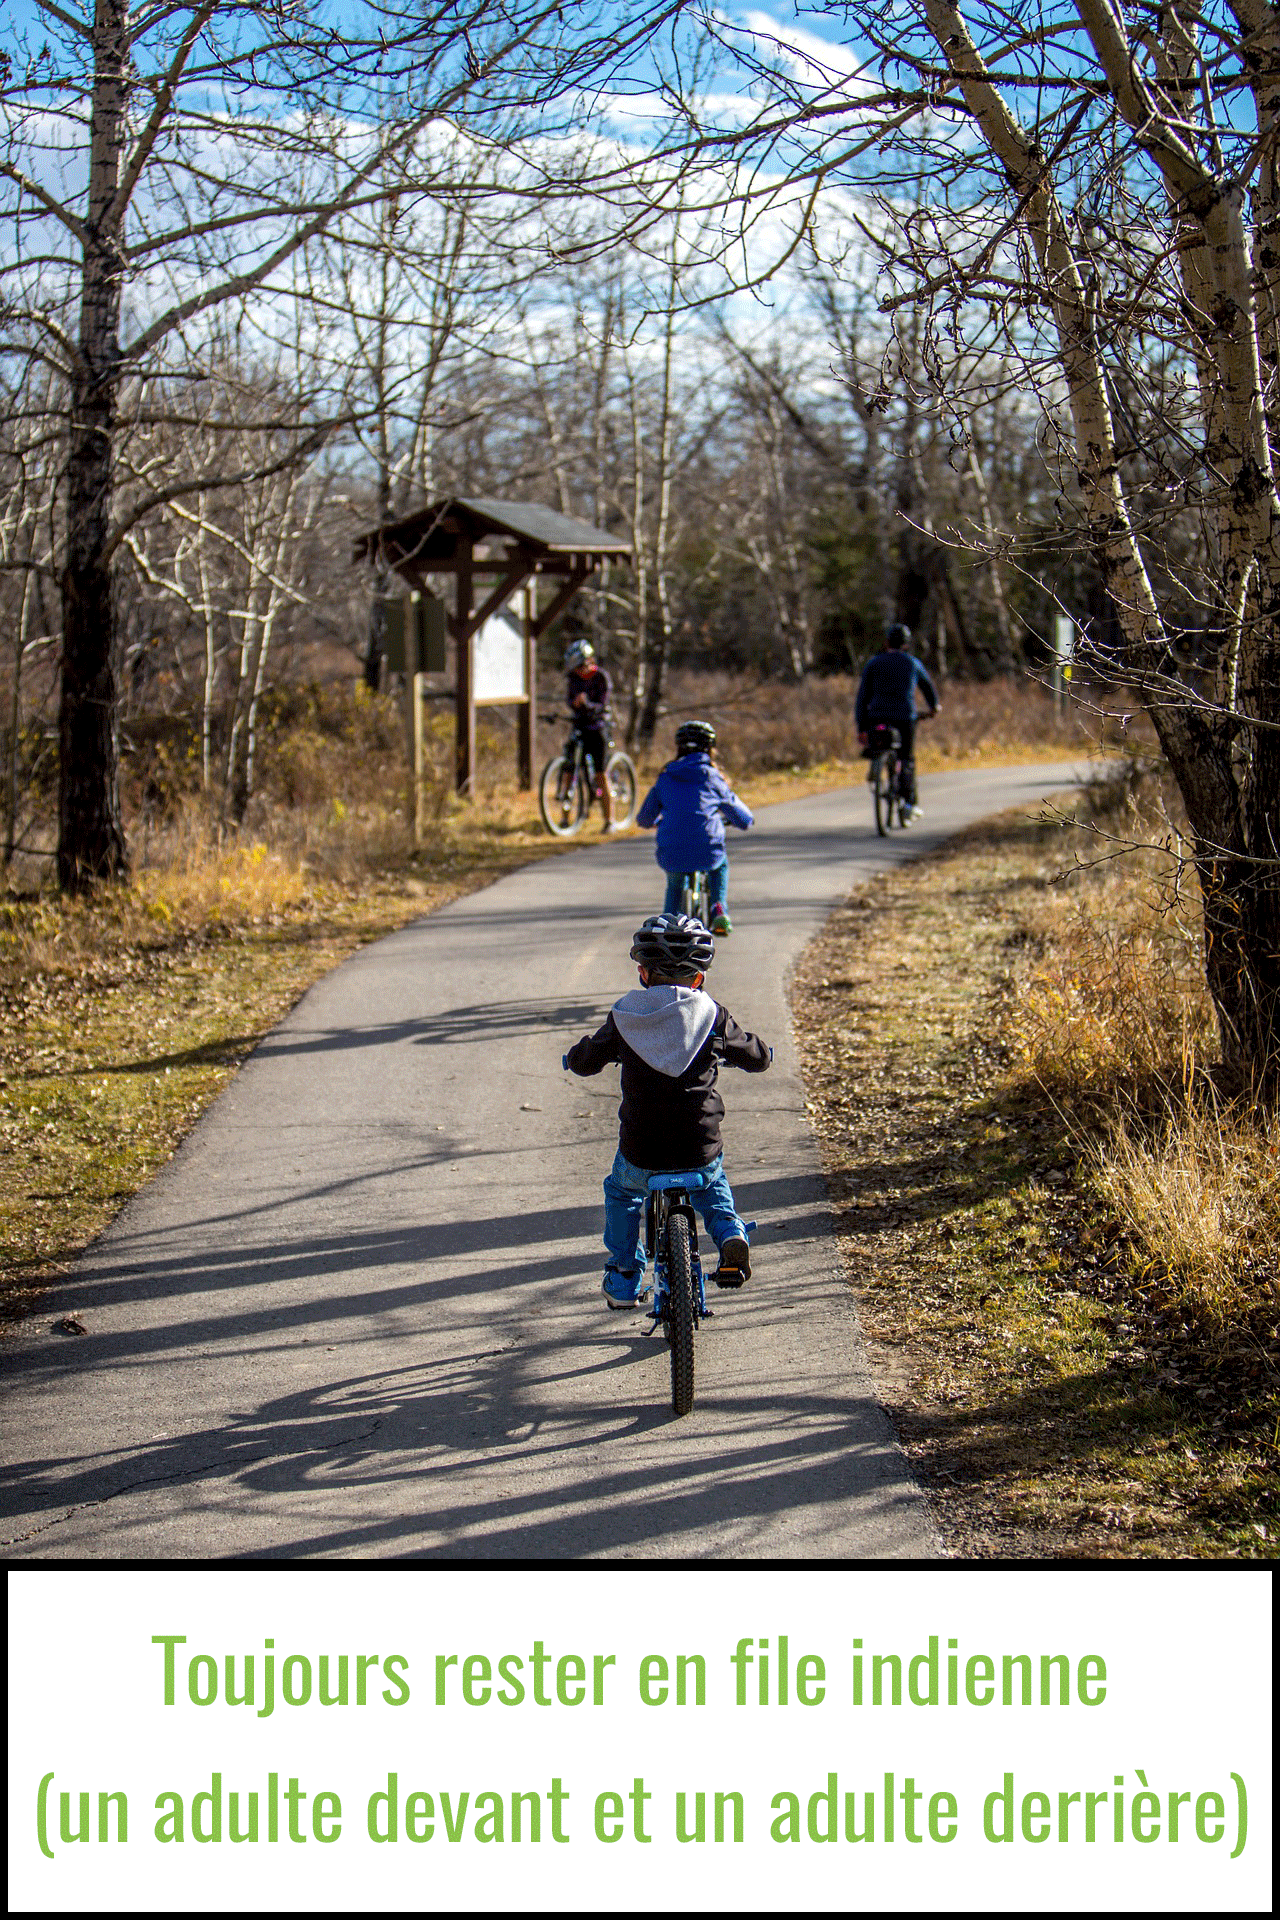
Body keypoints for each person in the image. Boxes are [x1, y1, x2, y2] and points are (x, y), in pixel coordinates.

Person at [564, 912, 771, 1309]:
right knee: (711, 1183)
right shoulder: (713, 1016)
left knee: (622, 1192)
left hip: (642, 1150)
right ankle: (729, 1232)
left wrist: (575, 1058)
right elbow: (754, 1056)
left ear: (642, 973)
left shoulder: (625, 1015)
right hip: (699, 1143)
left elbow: (588, 1059)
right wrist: (763, 1054)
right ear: (699, 979)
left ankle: (624, 1276)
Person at [634, 719, 752, 934]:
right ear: (710, 748)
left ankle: (667, 924)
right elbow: (743, 818)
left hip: (673, 849)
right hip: (707, 848)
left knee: (675, 884)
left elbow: (643, 818)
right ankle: (718, 908)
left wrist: (655, 822)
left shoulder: (666, 777)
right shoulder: (713, 777)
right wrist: (738, 821)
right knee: (720, 865)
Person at [854, 622, 941, 819]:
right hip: (905, 717)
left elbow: (862, 698)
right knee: (906, 758)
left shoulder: (873, 664)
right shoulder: (912, 663)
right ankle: (909, 803)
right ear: (907, 644)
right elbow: (928, 688)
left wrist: (861, 727)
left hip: (876, 716)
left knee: (879, 744)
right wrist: (934, 707)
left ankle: (876, 763)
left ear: (886, 643)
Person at [563, 637, 616, 831]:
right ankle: (564, 819)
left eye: (580, 666)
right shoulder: (573, 678)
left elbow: (603, 704)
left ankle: (609, 821)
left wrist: (589, 705)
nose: (578, 671)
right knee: (569, 769)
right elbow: (569, 699)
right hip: (579, 726)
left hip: (597, 728)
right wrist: (575, 704)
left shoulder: (601, 677)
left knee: (601, 774)